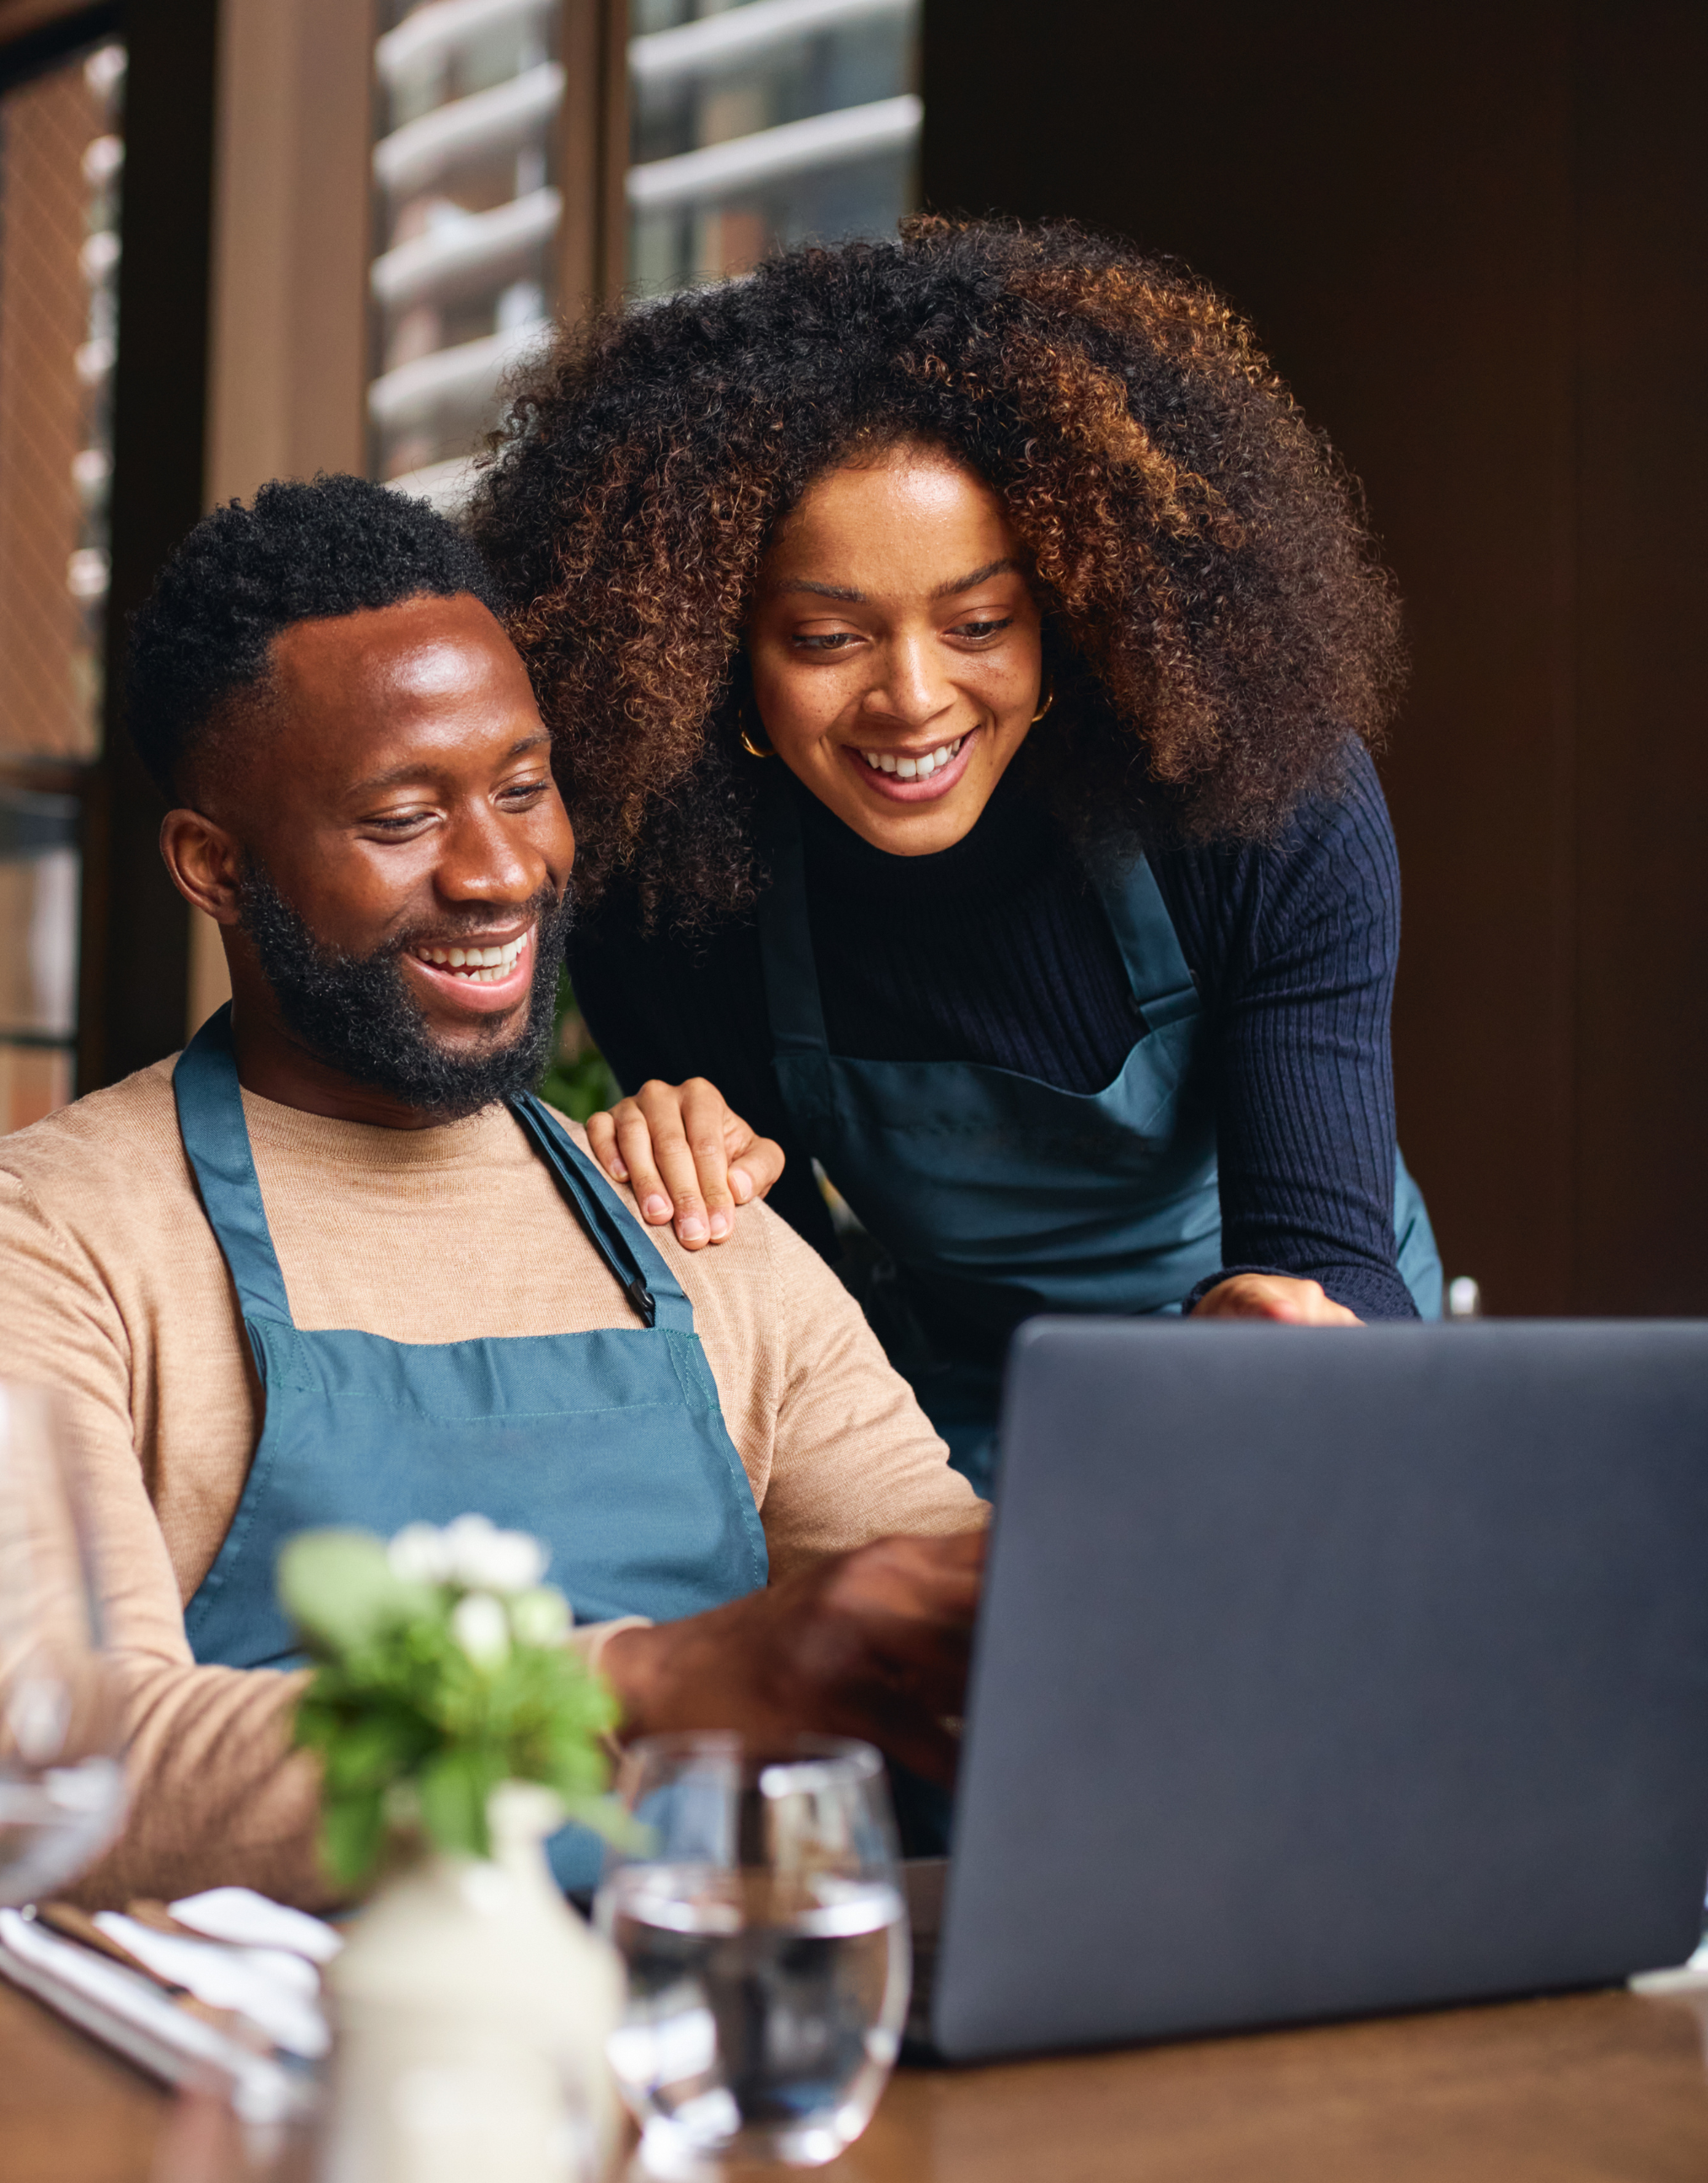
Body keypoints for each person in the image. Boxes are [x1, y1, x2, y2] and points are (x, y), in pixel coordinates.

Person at [0, 477, 982, 1910]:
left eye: (524, 787)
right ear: (215, 868)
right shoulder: (61, 1237)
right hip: (287, 2099)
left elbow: (951, 1615)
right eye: (405, 817)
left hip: (717, 2054)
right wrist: (652, 1679)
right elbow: (61, 1755)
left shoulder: (689, 1211)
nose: (503, 870)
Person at [470, 218, 1442, 1490]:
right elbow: (797, 1332)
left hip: (1290, 1370)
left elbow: (1330, 1253)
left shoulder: (1259, 806)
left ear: (1071, 613)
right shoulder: (671, 891)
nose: (915, 700)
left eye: (981, 621)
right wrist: (686, 1185)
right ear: (714, 658)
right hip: (961, 1408)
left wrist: (1287, 1332)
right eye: (827, 639)